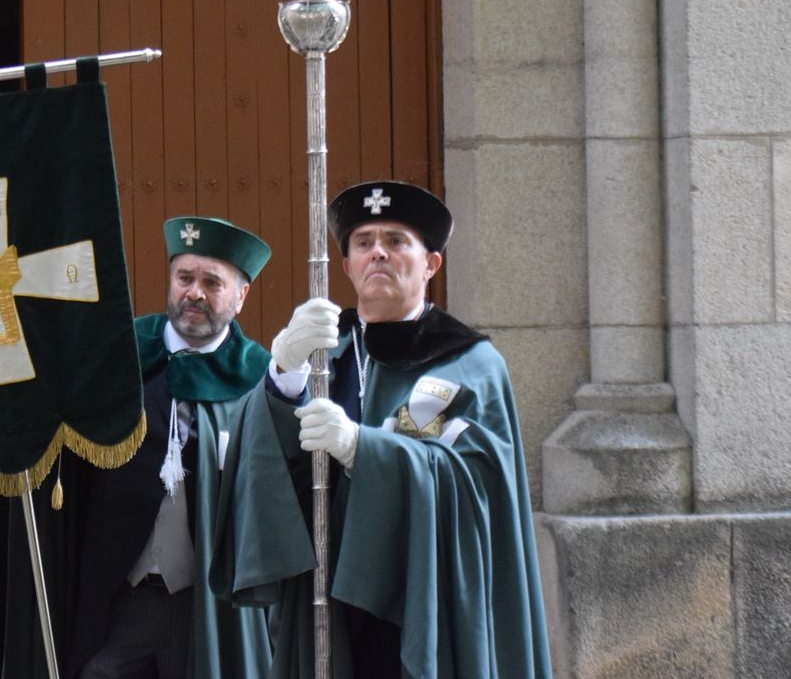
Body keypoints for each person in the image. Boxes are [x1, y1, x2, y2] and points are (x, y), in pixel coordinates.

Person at [210, 181, 551, 678]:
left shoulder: (470, 364)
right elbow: (263, 466)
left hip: (426, 603)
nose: (378, 253)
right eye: (364, 243)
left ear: (431, 264)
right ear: (347, 266)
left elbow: (475, 488)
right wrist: (283, 378)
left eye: (396, 241)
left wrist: (360, 449)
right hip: (329, 597)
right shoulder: (325, 355)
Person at [6, 216, 276, 679]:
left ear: (241, 295)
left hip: (207, 605)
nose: (194, 293)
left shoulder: (258, 380)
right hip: (117, 594)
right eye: (184, 278)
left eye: (212, 282)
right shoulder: (118, 356)